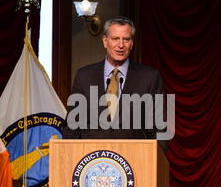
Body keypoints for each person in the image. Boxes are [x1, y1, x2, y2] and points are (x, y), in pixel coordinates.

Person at [63, 17, 168, 150]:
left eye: (126, 39)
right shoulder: (84, 76)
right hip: (91, 161)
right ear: (105, 41)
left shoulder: (150, 77)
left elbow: (159, 129)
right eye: (115, 39)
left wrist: (156, 165)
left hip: (136, 161)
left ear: (132, 43)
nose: (121, 45)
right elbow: (72, 128)